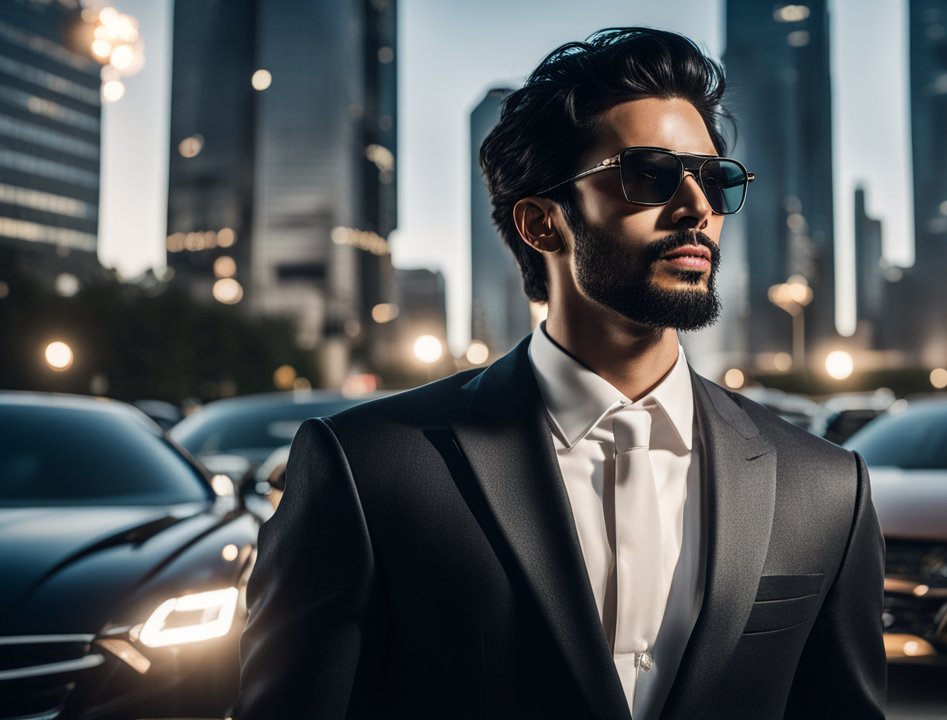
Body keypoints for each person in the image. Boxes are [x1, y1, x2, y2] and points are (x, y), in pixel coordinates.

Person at [235, 27, 885, 719]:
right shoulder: (369, 468)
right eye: (653, 175)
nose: (698, 208)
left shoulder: (825, 488)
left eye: (715, 179)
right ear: (543, 224)